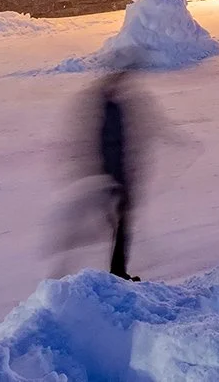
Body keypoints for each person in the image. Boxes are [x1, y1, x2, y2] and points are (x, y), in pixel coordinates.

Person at [91, 64, 139, 280]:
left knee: (120, 226)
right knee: (121, 227)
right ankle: (117, 273)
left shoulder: (111, 108)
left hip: (115, 178)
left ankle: (118, 272)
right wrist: (117, 182)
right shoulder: (110, 111)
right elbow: (111, 148)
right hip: (115, 180)